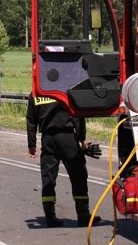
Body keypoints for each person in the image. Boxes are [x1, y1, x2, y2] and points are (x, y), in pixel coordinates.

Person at [26, 92, 101, 227]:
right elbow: (77, 115)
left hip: (47, 138)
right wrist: (82, 138)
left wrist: (32, 144)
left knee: (48, 178)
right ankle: (83, 215)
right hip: (67, 137)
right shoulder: (64, 90)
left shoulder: (36, 93)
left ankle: (50, 218)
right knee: (78, 174)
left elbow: (31, 120)